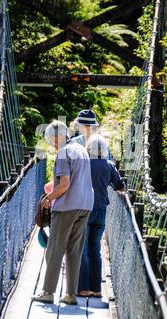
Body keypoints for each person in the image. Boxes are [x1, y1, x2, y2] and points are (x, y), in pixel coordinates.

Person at [33, 120, 94, 305]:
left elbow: (65, 185)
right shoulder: (81, 149)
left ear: (57, 137)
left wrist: (47, 199)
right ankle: (70, 294)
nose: (50, 143)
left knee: (54, 249)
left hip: (67, 206)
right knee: (74, 251)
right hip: (86, 205)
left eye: (50, 139)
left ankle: (48, 292)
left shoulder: (63, 152)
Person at [78, 134, 125, 298]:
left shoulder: (83, 163)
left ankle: (83, 288)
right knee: (95, 248)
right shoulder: (109, 165)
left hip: (83, 209)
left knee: (82, 249)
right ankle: (96, 289)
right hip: (100, 210)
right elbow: (120, 186)